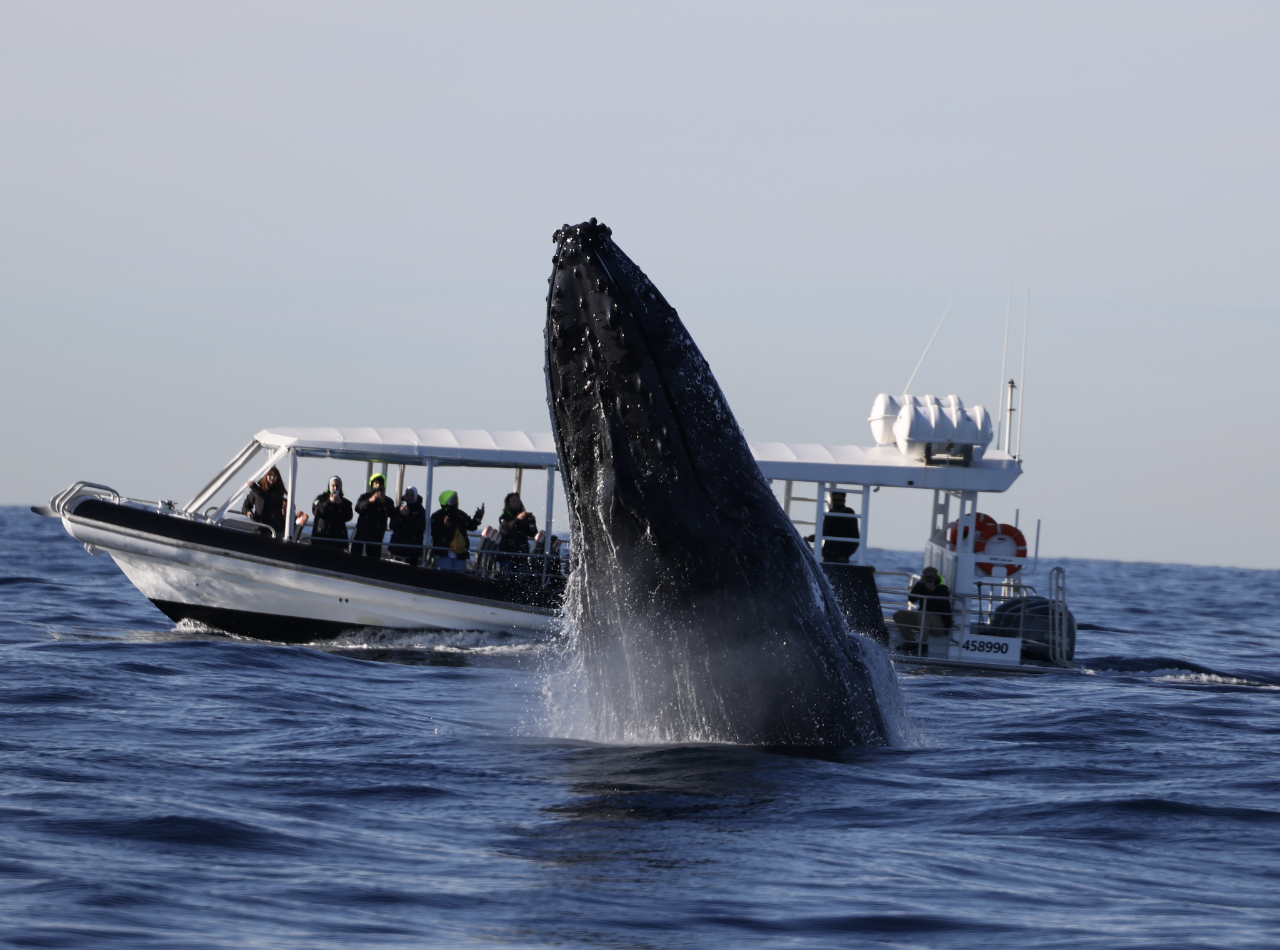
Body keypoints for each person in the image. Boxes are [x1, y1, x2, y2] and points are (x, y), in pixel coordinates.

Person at [892, 566, 953, 643]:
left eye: (929, 577)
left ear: (935, 577)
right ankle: (911, 642)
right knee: (898, 615)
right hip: (923, 621)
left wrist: (932, 590)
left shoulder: (943, 589)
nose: (927, 579)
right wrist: (919, 584)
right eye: (925, 576)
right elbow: (911, 599)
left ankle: (922, 644)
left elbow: (938, 605)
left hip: (939, 626)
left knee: (924, 613)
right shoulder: (922, 587)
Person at [429, 491, 485, 572]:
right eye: (453, 498)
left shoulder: (461, 514)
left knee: (459, 577)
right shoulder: (437, 515)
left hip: (460, 554)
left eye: (456, 498)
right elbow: (433, 532)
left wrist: (478, 516)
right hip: (443, 553)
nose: (455, 500)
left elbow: (471, 526)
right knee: (444, 577)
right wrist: (445, 526)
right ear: (446, 500)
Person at [804, 491, 860, 563]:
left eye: (839, 500)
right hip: (828, 555)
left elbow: (855, 539)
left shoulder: (849, 514)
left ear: (844, 501)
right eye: (835, 500)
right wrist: (810, 538)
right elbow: (824, 533)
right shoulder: (830, 514)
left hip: (841, 556)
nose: (837, 502)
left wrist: (846, 555)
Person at [354, 473, 398, 559]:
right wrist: (370, 500)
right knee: (356, 558)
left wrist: (384, 501)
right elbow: (358, 509)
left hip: (376, 537)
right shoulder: (364, 497)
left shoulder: (388, 501)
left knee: (373, 561)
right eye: (376, 483)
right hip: (361, 535)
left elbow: (391, 513)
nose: (378, 486)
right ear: (372, 484)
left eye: (380, 483)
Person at [497, 492, 538, 572]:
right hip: (507, 554)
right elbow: (505, 531)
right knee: (505, 577)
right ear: (509, 503)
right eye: (513, 501)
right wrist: (517, 519)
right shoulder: (504, 517)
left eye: (518, 501)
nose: (516, 503)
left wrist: (532, 523)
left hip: (522, 555)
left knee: (520, 578)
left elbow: (533, 534)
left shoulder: (525, 518)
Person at [311, 476, 353, 552]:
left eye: (337, 486)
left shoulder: (346, 502)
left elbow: (348, 517)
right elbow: (316, 511)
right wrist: (329, 502)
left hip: (338, 540)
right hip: (322, 537)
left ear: (341, 487)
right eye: (333, 485)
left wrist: (341, 505)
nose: (335, 488)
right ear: (329, 486)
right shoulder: (320, 499)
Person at [242, 467, 287, 537]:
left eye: (275, 475)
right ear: (266, 476)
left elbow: (269, 498)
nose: (272, 477)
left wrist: (255, 488)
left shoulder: (279, 491)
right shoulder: (256, 491)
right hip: (259, 528)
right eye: (270, 475)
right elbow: (246, 506)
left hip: (276, 530)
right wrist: (247, 511)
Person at [389, 486, 427, 565]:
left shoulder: (420, 510)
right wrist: (400, 514)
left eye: (411, 495)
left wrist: (409, 515)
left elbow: (420, 527)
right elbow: (392, 525)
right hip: (397, 548)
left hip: (412, 550)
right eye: (407, 495)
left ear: (415, 496)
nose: (409, 497)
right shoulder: (399, 508)